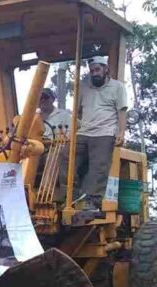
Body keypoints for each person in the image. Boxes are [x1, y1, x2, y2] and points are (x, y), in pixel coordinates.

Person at [58, 55, 128, 211]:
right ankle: (71, 197)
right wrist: (71, 131)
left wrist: (121, 132)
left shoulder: (117, 87)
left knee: (98, 167)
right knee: (65, 157)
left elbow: (122, 111)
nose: (94, 73)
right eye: (92, 71)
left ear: (105, 69)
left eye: (97, 70)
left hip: (105, 132)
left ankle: (93, 202)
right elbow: (77, 111)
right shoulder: (83, 86)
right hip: (84, 131)